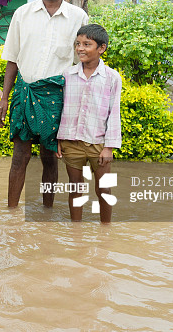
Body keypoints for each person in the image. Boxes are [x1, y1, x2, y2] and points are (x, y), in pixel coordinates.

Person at [0, 0, 89, 208]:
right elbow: (12, 60)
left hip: (58, 96)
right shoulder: (22, 14)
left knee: (50, 157)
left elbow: (82, 65)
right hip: (25, 92)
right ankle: (12, 211)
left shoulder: (78, 17)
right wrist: (4, 98)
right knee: (20, 157)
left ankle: (47, 211)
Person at [56, 24, 121, 223]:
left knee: (104, 188)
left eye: (87, 44)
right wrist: (58, 139)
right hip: (71, 141)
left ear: (101, 48)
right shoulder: (67, 75)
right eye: (78, 44)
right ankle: (76, 232)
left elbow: (114, 112)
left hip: (98, 143)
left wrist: (109, 147)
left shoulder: (111, 77)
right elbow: (61, 109)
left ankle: (106, 230)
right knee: (75, 188)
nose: (80, 48)